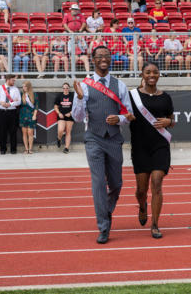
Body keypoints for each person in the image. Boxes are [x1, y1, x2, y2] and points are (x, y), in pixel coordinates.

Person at [71, 45, 134, 244]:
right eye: (99, 56)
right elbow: (77, 117)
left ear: (111, 59)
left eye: (106, 55)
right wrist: (80, 99)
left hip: (114, 138)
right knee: (98, 183)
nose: (103, 59)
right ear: (94, 60)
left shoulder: (120, 85)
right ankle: (103, 227)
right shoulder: (85, 86)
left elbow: (128, 114)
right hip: (94, 138)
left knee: (116, 184)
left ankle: (105, 211)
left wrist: (120, 119)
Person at [130, 62, 174, 239]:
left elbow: (171, 118)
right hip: (140, 146)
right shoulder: (132, 96)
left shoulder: (165, 97)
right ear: (142, 74)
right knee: (141, 190)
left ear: (159, 75)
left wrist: (168, 122)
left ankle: (155, 224)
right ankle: (142, 206)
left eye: (155, 72)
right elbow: (124, 115)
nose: (152, 75)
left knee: (156, 183)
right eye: (148, 72)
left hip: (160, 145)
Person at [0, 74, 21, 155]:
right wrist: (0, 102)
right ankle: (3, 149)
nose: (14, 81)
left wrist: (10, 104)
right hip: (2, 112)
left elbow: (19, 101)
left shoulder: (15, 89)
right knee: (2, 132)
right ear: (8, 80)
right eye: (13, 80)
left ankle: (13, 149)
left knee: (13, 132)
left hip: (12, 112)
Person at [54, 82, 74, 153]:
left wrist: (70, 113)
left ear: (69, 88)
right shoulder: (59, 96)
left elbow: (76, 107)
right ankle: (59, 138)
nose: (65, 89)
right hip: (61, 116)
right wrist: (59, 113)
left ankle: (66, 148)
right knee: (61, 130)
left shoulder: (72, 96)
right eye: (64, 88)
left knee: (68, 132)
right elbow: (55, 107)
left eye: (67, 88)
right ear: (62, 89)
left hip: (70, 116)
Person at [19, 81, 38, 154]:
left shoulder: (34, 94)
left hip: (31, 115)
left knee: (30, 133)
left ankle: (30, 149)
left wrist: (34, 115)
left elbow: (36, 106)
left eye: (25, 86)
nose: (24, 88)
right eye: (23, 86)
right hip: (23, 115)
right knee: (24, 133)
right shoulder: (21, 95)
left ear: (29, 87)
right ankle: (26, 149)